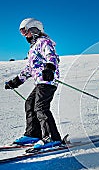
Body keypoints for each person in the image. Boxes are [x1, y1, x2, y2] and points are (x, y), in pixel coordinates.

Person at [5, 18, 62, 150]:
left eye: (25, 31)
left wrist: (49, 68)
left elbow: (51, 56)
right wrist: (16, 82)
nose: (24, 35)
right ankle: (33, 134)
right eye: (22, 33)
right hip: (39, 82)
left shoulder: (44, 42)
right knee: (29, 104)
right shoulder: (32, 49)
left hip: (48, 80)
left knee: (41, 107)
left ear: (34, 29)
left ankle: (52, 137)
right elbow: (29, 69)